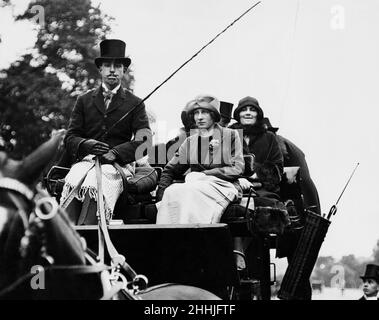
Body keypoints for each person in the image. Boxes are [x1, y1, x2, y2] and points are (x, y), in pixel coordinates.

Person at [61, 39, 152, 224]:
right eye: (107, 65)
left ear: (123, 71)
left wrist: (116, 153)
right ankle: (67, 236)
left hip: (118, 166)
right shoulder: (84, 100)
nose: (112, 70)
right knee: (74, 181)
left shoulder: (135, 103)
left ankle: (90, 235)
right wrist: (86, 144)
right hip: (86, 162)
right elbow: (70, 137)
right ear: (100, 69)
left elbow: (145, 142)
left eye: (117, 66)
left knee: (96, 184)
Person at [155, 94, 244, 224]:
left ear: (214, 116)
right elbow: (170, 170)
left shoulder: (230, 135)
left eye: (205, 112)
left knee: (190, 190)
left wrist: (203, 175)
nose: (200, 117)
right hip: (195, 186)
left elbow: (237, 168)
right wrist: (161, 197)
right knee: (173, 191)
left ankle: (199, 234)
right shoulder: (190, 141)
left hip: (223, 186)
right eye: (196, 113)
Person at [261, 117, 321, 215]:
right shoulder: (280, 140)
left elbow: (280, 161)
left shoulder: (277, 141)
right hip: (301, 183)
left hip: (299, 184)